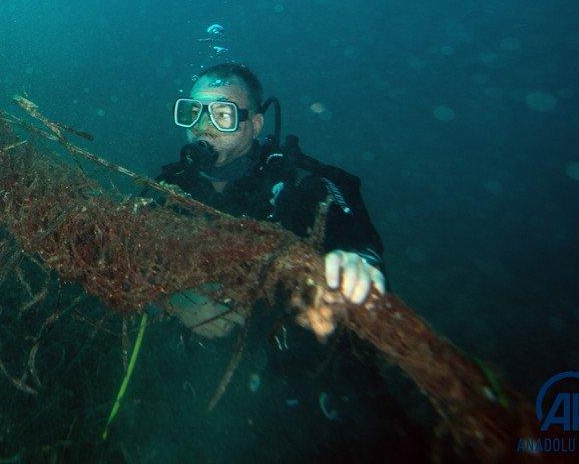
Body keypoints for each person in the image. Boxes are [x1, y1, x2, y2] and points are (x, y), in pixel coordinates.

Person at [153, 62, 422, 462]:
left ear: (255, 124)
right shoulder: (168, 190)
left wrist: (357, 262)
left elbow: (351, 232)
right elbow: (137, 261)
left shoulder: (301, 183)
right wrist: (175, 299)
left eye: (223, 114)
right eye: (193, 112)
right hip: (215, 393)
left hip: (306, 380)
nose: (203, 127)